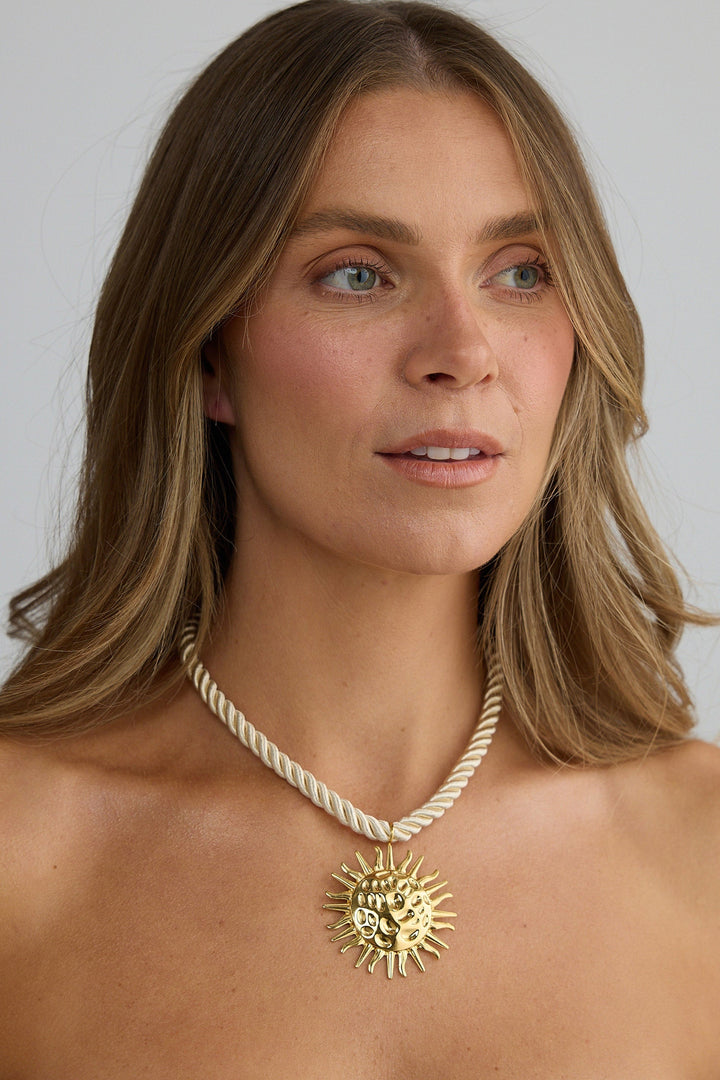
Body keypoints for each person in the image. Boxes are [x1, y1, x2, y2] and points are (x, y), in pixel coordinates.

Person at [1, 0, 718, 1073]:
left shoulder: (701, 848)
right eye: (357, 274)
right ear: (207, 353)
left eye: (521, 270)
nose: (462, 352)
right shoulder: (21, 852)